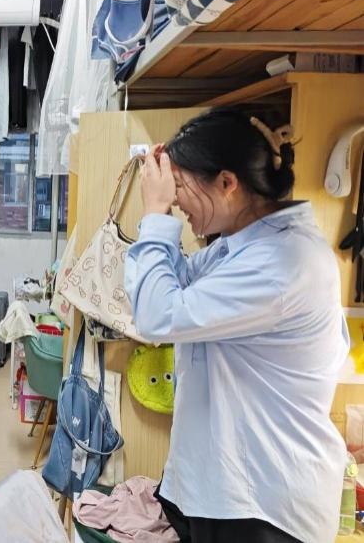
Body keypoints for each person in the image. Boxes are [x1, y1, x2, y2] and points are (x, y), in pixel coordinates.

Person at [126, 106, 348, 543]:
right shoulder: (243, 246)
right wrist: (161, 214)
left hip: (264, 504)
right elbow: (177, 285)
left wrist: (155, 211)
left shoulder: (281, 264)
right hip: (228, 491)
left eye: (181, 187)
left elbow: (157, 315)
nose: (176, 200)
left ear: (227, 183)